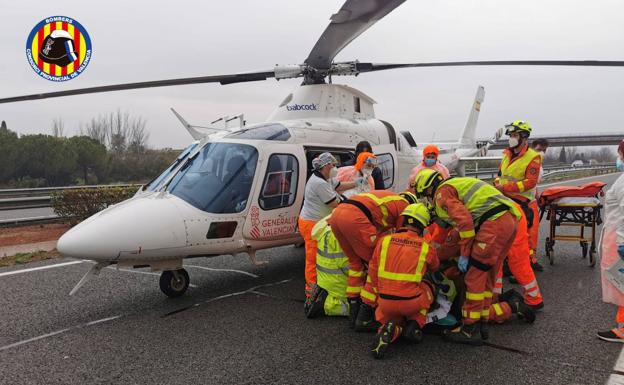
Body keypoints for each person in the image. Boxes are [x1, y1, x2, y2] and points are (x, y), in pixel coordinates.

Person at [413, 169, 521, 345]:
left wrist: (464, 254)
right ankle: (482, 323)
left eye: (423, 196)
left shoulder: (442, 193)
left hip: (493, 223)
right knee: (487, 277)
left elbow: (465, 223)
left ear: (427, 189)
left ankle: (469, 328)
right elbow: (460, 229)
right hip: (508, 221)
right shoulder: (457, 186)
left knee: (474, 277)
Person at [328, 190, 410, 331]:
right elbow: (401, 237)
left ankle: (353, 312)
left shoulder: (389, 198)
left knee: (355, 263)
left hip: (337, 215)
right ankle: (364, 315)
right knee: (376, 264)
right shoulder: (405, 207)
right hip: (355, 218)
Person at [368, 203, 439, 359]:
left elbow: (373, 270)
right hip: (411, 303)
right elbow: (435, 267)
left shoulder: (384, 241)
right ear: (422, 226)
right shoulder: (426, 247)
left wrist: (378, 293)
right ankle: (415, 324)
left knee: (390, 317)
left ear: (404, 221)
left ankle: (390, 330)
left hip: (385, 302)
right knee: (428, 287)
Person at [494, 120, 545, 310]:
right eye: (510, 135)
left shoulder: (533, 157)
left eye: (514, 135)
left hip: (521, 206)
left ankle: (534, 298)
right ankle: (494, 295)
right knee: (497, 253)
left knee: (517, 256)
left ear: (523, 137)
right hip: (504, 204)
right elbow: (500, 174)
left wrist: (506, 187)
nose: (511, 139)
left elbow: (530, 182)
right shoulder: (506, 154)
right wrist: (498, 183)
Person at [299, 153, 358, 298]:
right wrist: (353, 204)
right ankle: (311, 291)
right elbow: (334, 203)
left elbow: (339, 186)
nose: (335, 167)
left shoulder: (326, 178)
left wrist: (357, 183)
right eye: (332, 165)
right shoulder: (318, 183)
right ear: (325, 166)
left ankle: (321, 284)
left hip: (318, 221)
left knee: (321, 255)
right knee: (312, 258)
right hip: (310, 223)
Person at [597, 140, 624, 342]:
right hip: (617, 234)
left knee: (621, 284)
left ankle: (622, 330)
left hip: (619, 237)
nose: (619, 158)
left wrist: (623, 244)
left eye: (620, 154)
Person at [304, 215, 350, 318]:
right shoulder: (338, 235)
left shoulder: (326, 226)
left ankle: (320, 300)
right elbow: (346, 266)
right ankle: (327, 306)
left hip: (325, 283)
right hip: (338, 289)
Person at [529, 138, 550, 271]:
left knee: (532, 234)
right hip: (521, 203)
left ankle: (531, 259)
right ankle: (521, 262)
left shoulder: (539, 165)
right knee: (523, 236)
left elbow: (534, 185)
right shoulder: (527, 162)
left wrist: (538, 198)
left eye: (543, 150)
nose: (541, 153)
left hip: (531, 202)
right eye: (539, 150)